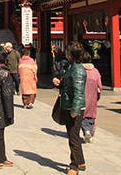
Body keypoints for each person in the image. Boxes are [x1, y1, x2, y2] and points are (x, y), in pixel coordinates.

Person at [52, 41, 87, 175]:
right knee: (73, 136)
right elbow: (70, 86)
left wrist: (75, 110)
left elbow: (78, 92)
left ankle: (74, 166)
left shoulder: (77, 70)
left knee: (73, 137)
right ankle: (80, 161)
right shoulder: (72, 67)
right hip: (69, 104)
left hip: (74, 107)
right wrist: (60, 83)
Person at [81, 51, 102, 143]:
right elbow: (100, 85)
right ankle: (89, 131)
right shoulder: (95, 71)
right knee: (91, 114)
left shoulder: (80, 71)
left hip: (81, 95)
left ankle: (86, 130)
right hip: (93, 96)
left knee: (82, 114)